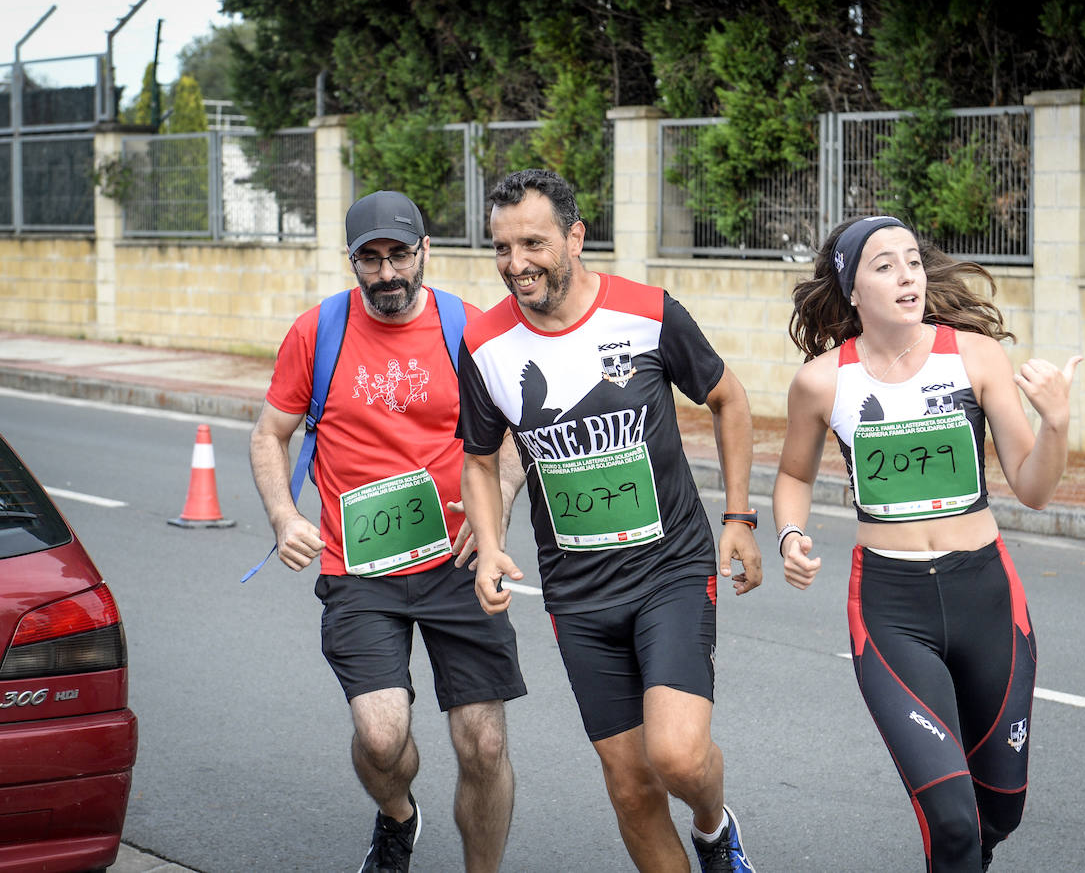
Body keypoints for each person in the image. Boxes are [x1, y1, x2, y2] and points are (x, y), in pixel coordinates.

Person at [458, 169, 763, 873]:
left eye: (532, 242)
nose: (516, 264)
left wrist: (740, 516)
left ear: (574, 236)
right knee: (630, 786)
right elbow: (478, 459)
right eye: (501, 247)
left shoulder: (648, 312)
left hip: (670, 571)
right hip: (579, 594)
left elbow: (729, 397)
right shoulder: (485, 344)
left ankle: (716, 832)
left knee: (679, 756)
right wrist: (491, 547)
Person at [772, 215, 1082, 871]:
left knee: (997, 810)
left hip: (987, 597)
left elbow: (1033, 486)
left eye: (912, 260)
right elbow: (794, 475)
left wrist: (1056, 423)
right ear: (852, 290)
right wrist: (790, 532)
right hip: (891, 606)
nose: (906, 274)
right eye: (883, 265)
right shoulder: (823, 381)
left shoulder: (973, 355)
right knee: (951, 819)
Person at [248, 190, 527, 873]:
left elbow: (513, 439)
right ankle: (398, 814)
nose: (387, 273)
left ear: (425, 250)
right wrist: (285, 515)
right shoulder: (318, 332)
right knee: (380, 737)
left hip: (458, 559)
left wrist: (495, 520)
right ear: (352, 261)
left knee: (482, 745)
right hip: (359, 565)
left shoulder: (470, 327)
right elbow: (269, 434)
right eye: (369, 259)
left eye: (399, 254)